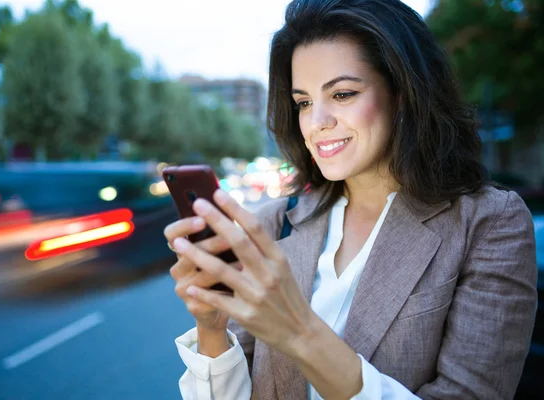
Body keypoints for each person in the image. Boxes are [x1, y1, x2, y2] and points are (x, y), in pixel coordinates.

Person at [164, 0, 538, 398]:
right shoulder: (276, 222)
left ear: (404, 93)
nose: (316, 122)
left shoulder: (489, 223)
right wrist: (212, 326)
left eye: (342, 94)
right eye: (303, 102)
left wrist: (298, 332)